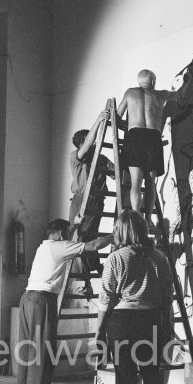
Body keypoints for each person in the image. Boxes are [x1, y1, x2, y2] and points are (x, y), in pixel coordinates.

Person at [13, 218, 113, 384]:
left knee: (27, 350)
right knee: (43, 351)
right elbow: (93, 245)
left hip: (27, 299)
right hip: (42, 300)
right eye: (67, 233)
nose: (69, 237)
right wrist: (115, 235)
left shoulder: (44, 247)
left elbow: (71, 238)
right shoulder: (60, 246)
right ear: (59, 234)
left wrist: (75, 226)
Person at [95, 209, 174, 384]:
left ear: (120, 231)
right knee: (152, 377)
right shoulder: (159, 257)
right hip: (150, 321)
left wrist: (99, 333)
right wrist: (168, 328)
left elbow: (106, 299)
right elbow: (167, 297)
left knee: (127, 381)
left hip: (122, 322)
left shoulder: (116, 259)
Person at [117, 66, 193, 229]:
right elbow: (181, 96)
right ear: (153, 81)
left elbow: (117, 116)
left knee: (135, 182)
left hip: (135, 136)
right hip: (152, 138)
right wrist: (188, 81)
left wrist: (128, 126)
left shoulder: (130, 93)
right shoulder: (160, 94)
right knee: (151, 183)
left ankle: (136, 217)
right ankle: (147, 218)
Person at [69, 109, 115, 271]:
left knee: (91, 234)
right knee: (80, 235)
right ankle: (83, 270)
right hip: (81, 199)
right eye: (90, 141)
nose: (95, 144)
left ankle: (92, 265)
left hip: (96, 201)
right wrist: (98, 121)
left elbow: (117, 173)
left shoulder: (101, 160)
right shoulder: (76, 156)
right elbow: (89, 143)